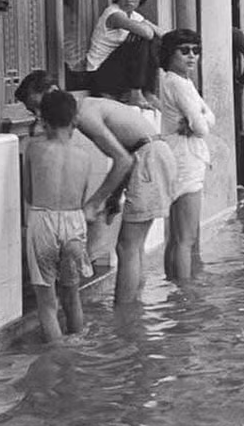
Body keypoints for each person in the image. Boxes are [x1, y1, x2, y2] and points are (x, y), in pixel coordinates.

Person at [16, 70, 175, 305]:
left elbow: (124, 160)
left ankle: (124, 316)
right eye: (33, 112)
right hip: (153, 156)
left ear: (51, 92)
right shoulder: (84, 109)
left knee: (126, 247)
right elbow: (127, 152)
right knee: (134, 246)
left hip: (150, 159)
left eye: (38, 106)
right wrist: (114, 196)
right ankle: (133, 313)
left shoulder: (83, 113)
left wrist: (93, 204)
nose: (39, 116)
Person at [23, 90, 91, 342]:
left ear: (43, 121)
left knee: (47, 302)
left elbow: (29, 195)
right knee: (72, 296)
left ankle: (58, 358)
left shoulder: (34, 149)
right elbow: (82, 197)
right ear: (74, 120)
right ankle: (78, 350)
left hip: (43, 221)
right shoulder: (84, 157)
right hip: (74, 221)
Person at [158, 30, 215, 281]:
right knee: (185, 237)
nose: (191, 56)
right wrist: (198, 121)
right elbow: (202, 127)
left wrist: (198, 120)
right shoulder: (178, 84)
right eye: (184, 50)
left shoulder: (182, 82)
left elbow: (209, 117)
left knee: (177, 235)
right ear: (170, 54)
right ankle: (184, 295)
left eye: (195, 50)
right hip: (185, 158)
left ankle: (175, 287)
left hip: (180, 154)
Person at [84, 0, 165, 108]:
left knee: (153, 42)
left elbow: (163, 35)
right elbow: (147, 34)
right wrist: (146, 26)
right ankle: (136, 93)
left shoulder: (133, 15)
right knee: (140, 39)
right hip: (98, 76)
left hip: (117, 74)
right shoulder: (114, 14)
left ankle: (149, 93)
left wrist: (147, 24)